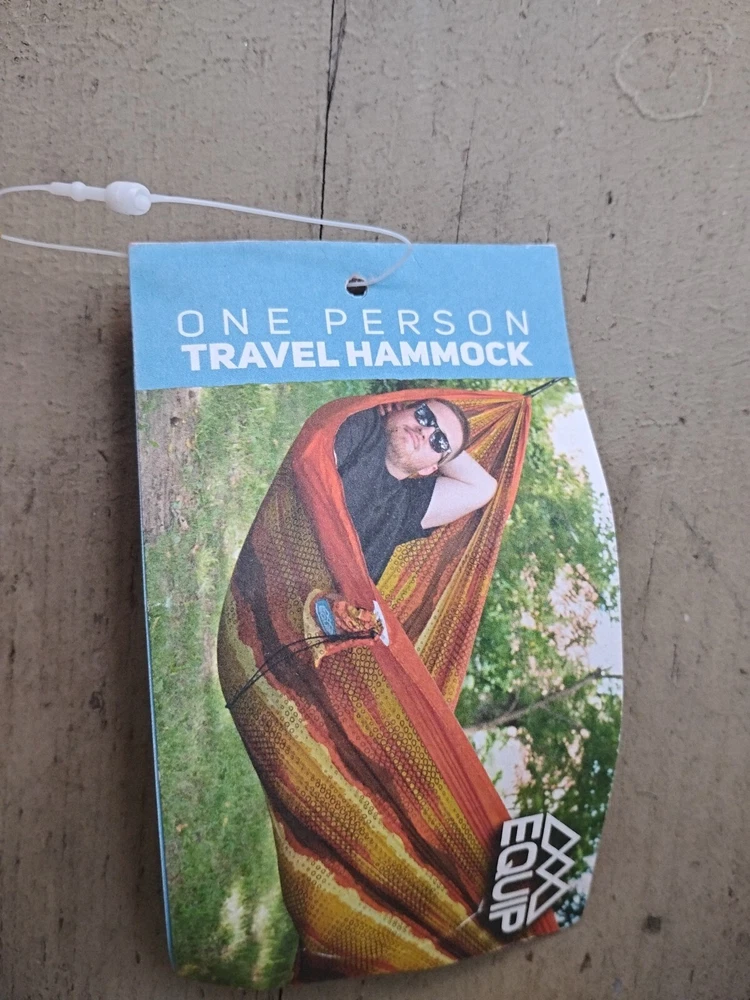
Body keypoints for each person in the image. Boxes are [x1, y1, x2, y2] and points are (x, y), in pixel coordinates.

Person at [334, 398, 497, 583]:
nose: (425, 431)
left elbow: (483, 487)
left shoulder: (406, 507)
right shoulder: (364, 424)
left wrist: (442, 451)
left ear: (429, 469)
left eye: (439, 441)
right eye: (425, 416)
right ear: (401, 408)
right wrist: (399, 417)